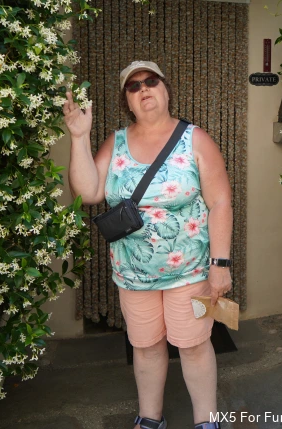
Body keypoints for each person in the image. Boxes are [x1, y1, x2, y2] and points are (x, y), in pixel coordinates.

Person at [63, 60, 233, 429]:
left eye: (151, 81)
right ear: (127, 100)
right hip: (133, 274)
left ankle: (207, 421)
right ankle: (150, 417)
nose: (143, 89)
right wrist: (78, 138)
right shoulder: (116, 142)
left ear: (165, 89)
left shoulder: (195, 139)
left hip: (190, 272)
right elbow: (88, 192)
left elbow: (220, 202)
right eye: (133, 86)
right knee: (146, 346)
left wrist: (220, 264)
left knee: (194, 345)